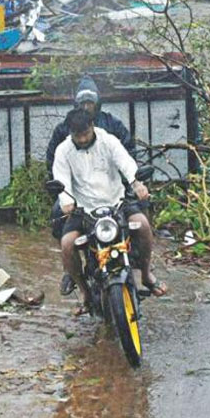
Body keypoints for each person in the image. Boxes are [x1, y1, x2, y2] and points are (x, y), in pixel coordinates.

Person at [54, 109, 166, 314]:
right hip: (83, 209)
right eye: (77, 136)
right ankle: (85, 293)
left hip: (117, 202)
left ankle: (147, 275)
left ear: (92, 127)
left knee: (143, 225)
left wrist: (136, 183)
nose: (82, 139)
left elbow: (126, 163)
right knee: (67, 244)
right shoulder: (63, 151)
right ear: (70, 133)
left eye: (85, 134)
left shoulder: (109, 141)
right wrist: (66, 200)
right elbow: (61, 180)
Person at [46, 75, 137, 296]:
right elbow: (55, 168)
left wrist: (133, 182)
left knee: (142, 221)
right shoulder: (63, 136)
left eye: (91, 102)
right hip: (80, 199)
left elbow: (127, 156)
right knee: (61, 227)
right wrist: (66, 198)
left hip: (115, 194)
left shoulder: (111, 128)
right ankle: (73, 272)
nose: (87, 106)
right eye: (83, 102)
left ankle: (144, 269)